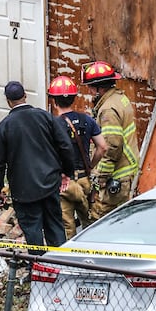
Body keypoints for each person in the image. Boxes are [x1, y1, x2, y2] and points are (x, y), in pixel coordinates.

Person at [0, 80, 75, 252]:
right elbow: (66, 146)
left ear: (8, 101)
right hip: (50, 183)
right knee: (55, 226)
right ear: (25, 96)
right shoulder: (45, 117)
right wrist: (66, 172)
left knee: (32, 230)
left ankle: (39, 269)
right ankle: (60, 265)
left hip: (23, 190)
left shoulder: (4, 127)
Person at [48, 74, 107, 239]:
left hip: (64, 184)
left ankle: (69, 261)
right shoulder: (87, 120)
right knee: (89, 223)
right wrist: (90, 166)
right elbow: (102, 147)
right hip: (84, 179)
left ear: (53, 100)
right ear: (74, 98)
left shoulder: (52, 124)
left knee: (68, 227)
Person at [81, 60, 139, 221]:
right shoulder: (119, 98)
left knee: (99, 219)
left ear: (99, 87)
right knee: (120, 218)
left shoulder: (108, 111)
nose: (90, 91)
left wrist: (101, 177)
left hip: (117, 174)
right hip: (127, 169)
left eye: (91, 87)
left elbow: (111, 146)